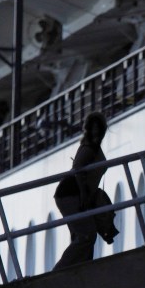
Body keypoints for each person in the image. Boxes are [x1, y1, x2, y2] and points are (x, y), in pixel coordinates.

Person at [52, 112, 116, 270]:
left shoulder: (92, 147)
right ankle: (60, 271)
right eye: (92, 129)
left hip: (72, 194)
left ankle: (81, 267)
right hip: (71, 194)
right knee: (86, 234)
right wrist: (84, 196)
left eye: (98, 128)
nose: (95, 132)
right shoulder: (89, 148)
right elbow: (78, 170)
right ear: (88, 129)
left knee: (81, 234)